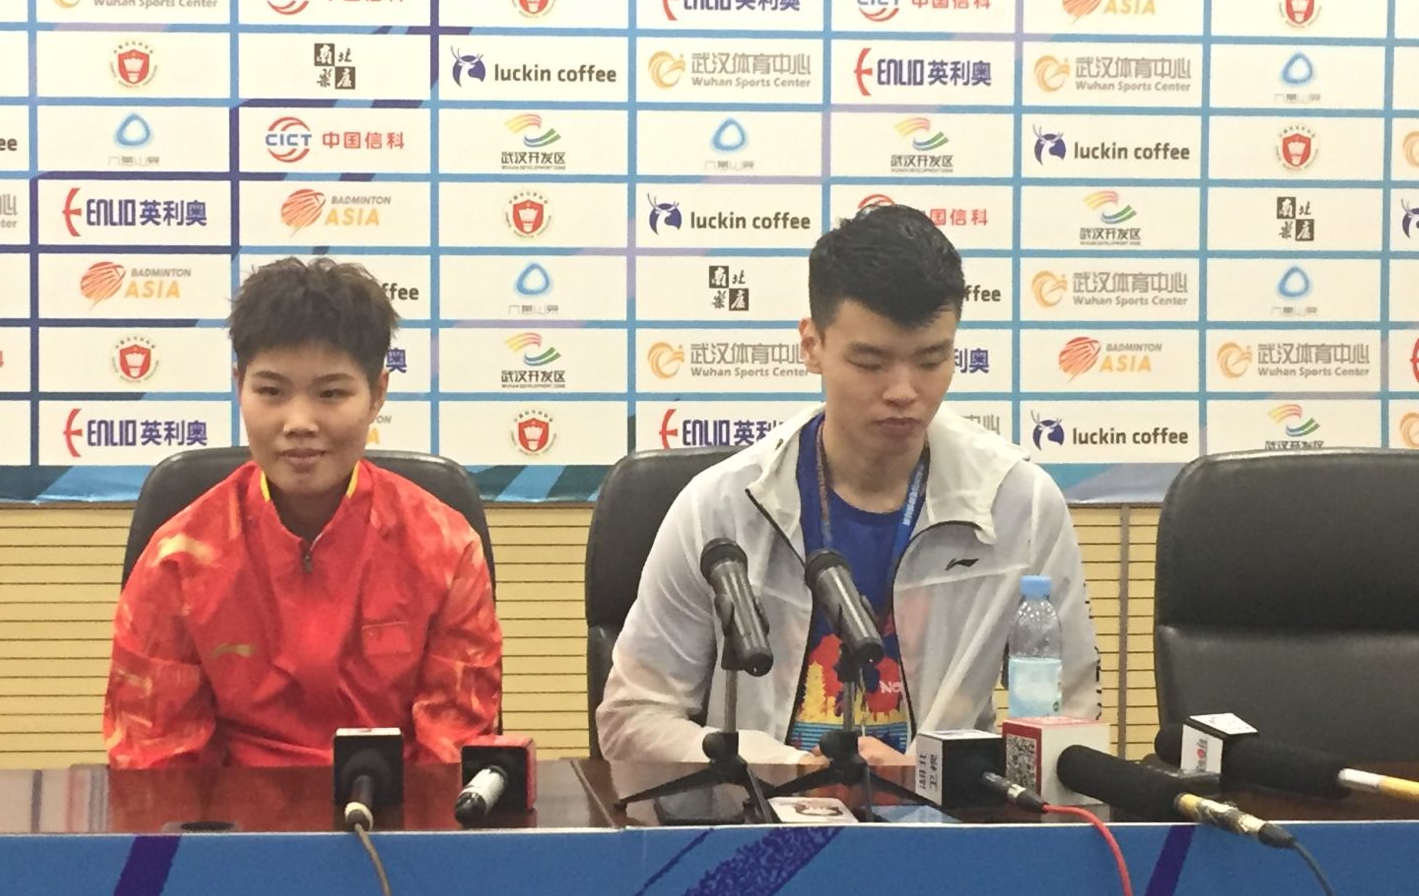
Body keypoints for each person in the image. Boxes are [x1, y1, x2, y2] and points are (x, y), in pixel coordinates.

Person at [597, 203, 1100, 765]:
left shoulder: (1021, 505)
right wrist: (776, 765)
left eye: (931, 360)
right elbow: (631, 717)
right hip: (761, 809)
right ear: (812, 345)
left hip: (942, 816)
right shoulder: (719, 508)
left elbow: (1071, 723)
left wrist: (936, 774)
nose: (903, 391)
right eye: (870, 363)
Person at [105, 256, 502, 767]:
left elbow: (453, 754)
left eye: (331, 393)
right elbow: (155, 763)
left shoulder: (445, 549)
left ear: (377, 395)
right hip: (226, 811)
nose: (298, 422)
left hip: (397, 810)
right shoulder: (178, 560)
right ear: (239, 386)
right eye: (271, 391)